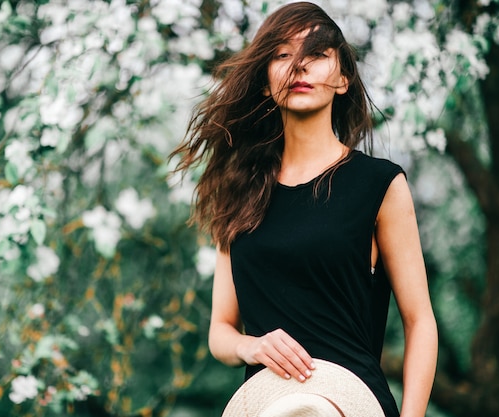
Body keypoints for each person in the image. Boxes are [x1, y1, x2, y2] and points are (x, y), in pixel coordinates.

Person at [170, 2, 438, 417]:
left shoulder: (379, 184)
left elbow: (419, 320)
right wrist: (252, 345)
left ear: (343, 78)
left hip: (354, 406)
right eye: (281, 55)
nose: (299, 66)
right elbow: (220, 332)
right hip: (271, 408)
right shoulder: (238, 191)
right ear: (264, 82)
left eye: (316, 54)